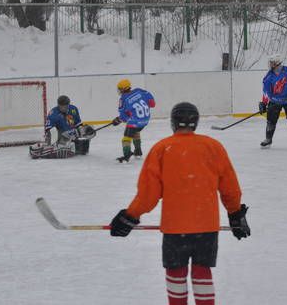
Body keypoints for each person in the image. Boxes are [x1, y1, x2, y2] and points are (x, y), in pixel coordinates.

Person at [109, 102, 249, 305]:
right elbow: (230, 188)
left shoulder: (162, 148)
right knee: (202, 270)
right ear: (196, 122)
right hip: (206, 226)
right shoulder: (213, 147)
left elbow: (148, 194)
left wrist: (130, 216)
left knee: (176, 272)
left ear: (173, 123)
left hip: (175, 227)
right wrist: (235, 214)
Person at [29, 95, 95, 159]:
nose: (63, 108)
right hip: (61, 136)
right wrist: (51, 142)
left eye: (65, 106)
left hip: (72, 134)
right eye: (61, 106)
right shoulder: (53, 113)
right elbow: (49, 131)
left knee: (90, 127)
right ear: (58, 105)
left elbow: (78, 124)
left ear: (68, 104)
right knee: (54, 132)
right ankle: (58, 147)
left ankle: (76, 147)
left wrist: (85, 131)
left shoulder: (74, 109)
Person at [112, 79, 155, 163]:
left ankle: (126, 156)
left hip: (135, 122)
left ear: (123, 89)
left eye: (120, 89)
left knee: (126, 139)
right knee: (136, 131)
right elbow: (152, 104)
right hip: (145, 120)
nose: (119, 91)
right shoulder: (139, 91)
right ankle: (138, 152)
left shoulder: (123, 99)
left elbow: (124, 117)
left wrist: (117, 120)